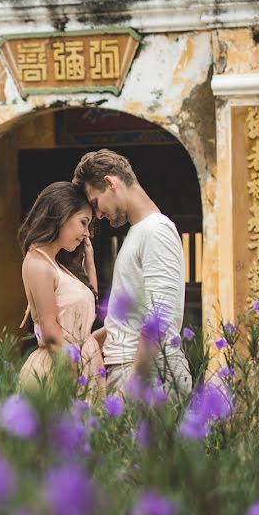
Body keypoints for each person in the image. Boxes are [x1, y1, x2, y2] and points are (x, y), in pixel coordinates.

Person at [72, 149, 192, 400]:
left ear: (110, 182)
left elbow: (160, 315)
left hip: (148, 375)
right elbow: (128, 318)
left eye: (96, 203)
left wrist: (131, 386)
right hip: (134, 372)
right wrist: (89, 345)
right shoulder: (139, 233)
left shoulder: (156, 230)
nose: (99, 215)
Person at [18, 181, 104, 397]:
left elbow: (88, 312)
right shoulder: (38, 263)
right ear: (63, 214)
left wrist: (89, 264)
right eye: (83, 223)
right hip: (60, 371)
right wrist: (75, 380)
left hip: (80, 366)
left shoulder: (59, 265)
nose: (86, 233)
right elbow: (51, 332)